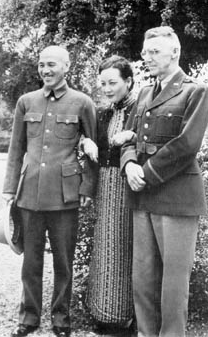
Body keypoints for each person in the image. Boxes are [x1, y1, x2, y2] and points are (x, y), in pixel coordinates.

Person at [121, 26, 208, 337]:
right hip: (142, 196)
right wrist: (129, 163)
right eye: (146, 53)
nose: (148, 58)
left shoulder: (194, 91)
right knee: (142, 278)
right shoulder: (144, 92)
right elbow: (128, 137)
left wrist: (145, 173)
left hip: (177, 197)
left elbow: (187, 144)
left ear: (175, 53)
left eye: (155, 52)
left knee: (173, 283)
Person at [2, 45, 97, 337]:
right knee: (30, 260)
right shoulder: (26, 102)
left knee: (63, 261)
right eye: (42, 65)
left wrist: (87, 187)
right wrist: (9, 190)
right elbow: (16, 148)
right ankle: (28, 317)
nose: (46, 70)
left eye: (52, 64)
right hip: (29, 192)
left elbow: (94, 148)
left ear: (66, 66)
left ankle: (61, 319)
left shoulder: (82, 102)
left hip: (65, 196)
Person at [83, 55, 136, 336]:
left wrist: (133, 136)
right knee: (105, 248)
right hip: (105, 186)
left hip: (129, 187)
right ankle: (104, 314)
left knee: (126, 248)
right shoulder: (103, 113)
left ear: (128, 81)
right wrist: (86, 141)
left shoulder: (141, 109)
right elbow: (90, 140)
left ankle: (127, 317)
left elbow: (152, 140)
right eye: (102, 83)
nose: (106, 88)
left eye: (112, 82)